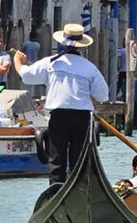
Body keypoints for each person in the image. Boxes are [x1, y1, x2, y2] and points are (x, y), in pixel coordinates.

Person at [14, 22, 109, 184]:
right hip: (82, 118)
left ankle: (55, 189)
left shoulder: (50, 63)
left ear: (63, 42)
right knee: (79, 160)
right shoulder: (89, 68)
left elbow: (27, 76)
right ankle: (77, 188)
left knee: (56, 159)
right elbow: (103, 95)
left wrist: (18, 61)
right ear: (81, 47)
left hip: (59, 117)